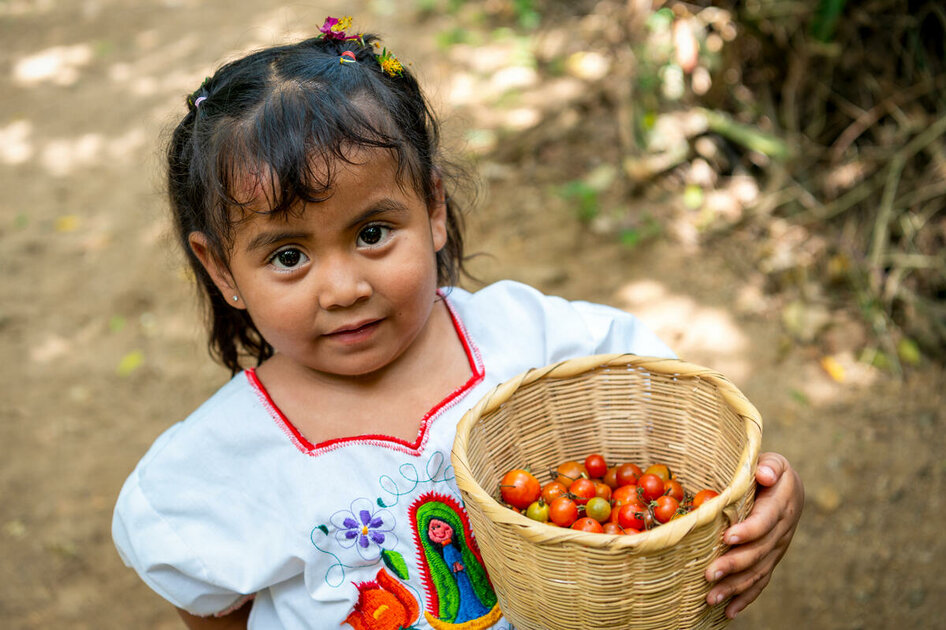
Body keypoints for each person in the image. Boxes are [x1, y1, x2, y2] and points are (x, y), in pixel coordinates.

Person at [112, 16, 803, 630]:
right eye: (289, 255)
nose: (346, 287)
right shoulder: (214, 471)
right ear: (222, 270)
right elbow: (209, 603)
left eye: (374, 232)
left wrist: (766, 495)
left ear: (434, 208)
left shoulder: (534, 342)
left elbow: (684, 438)